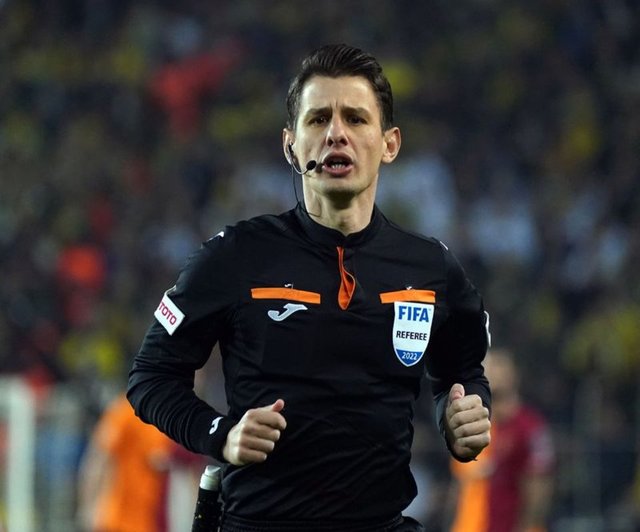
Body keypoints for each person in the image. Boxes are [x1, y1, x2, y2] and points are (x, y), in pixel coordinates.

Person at [127, 43, 492, 532]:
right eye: (318, 119)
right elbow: (151, 376)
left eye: (356, 119)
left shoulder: (431, 268)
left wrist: (462, 414)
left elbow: (463, 372)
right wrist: (221, 435)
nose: (336, 133)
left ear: (389, 144)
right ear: (291, 146)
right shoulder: (235, 256)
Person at [448, 348, 555, 532]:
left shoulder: (529, 426)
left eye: (497, 367)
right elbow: (460, 485)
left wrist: (528, 526)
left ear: (513, 376)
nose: (491, 373)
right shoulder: (472, 423)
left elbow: (539, 485)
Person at [76, 393, 178, 532]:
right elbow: (98, 460)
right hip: (118, 519)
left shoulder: (163, 417)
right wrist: (88, 507)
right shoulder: (125, 411)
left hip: (147, 521)